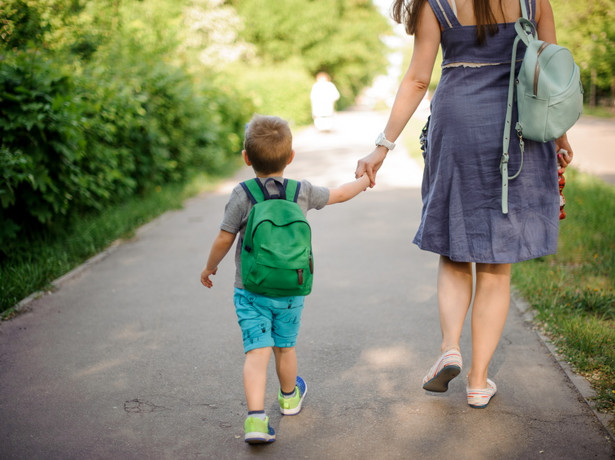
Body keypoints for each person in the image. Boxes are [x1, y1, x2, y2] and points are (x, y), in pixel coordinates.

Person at [355, 0, 574, 408]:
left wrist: (381, 147)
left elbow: (419, 80)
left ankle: (450, 347)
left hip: (458, 123)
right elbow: (551, 72)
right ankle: (477, 382)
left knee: (457, 248)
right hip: (519, 128)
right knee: (496, 265)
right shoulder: (533, 1)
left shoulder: (436, 4)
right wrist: (559, 135)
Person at [201, 114, 370, 443]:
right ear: (290, 157)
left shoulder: (243, 193)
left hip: (250, 290)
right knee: (285, 348)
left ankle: (255, 421)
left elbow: (224, 237)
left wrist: (210, 267)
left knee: (257, 352)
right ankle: (290, 397)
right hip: (292, 288)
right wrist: (364, 181)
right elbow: (338, 194)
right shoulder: (301, 191)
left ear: (246, 158)